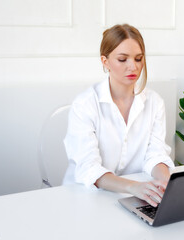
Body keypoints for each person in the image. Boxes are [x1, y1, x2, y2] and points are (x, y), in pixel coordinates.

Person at [63, 24, 175, 207]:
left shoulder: (155, 102)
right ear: (105, 62)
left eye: (139, 59)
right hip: (86, 198)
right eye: (123, 59)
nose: (133, 66)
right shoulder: (85, 105)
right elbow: (89, 168)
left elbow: (155, 154)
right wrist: (134, 187)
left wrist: (168, 183)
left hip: (134, 198)